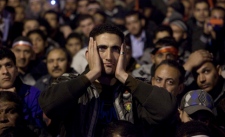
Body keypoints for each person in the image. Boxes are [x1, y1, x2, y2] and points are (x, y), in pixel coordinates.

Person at [39, 24, 177, 137]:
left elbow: (166, 110)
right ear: (88, 54)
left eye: (115, 49)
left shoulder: (136, 87)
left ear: (124, 55)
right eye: (102, 49)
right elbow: (48, 105)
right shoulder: (70, 81)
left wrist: (124, 76)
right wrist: (92, 74)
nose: (109, 56)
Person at [0, 46, 44, 128]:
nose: (5, 71)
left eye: (8, 65)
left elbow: (37, 130)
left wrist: (17, 103)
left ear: (16, 70)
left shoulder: (33, 94)